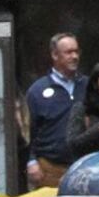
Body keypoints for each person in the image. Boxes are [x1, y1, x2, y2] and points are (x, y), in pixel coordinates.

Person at [23, 35, 87, 183]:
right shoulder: (37, 91)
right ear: (55, 55)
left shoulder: (88, 86)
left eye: (77, 52)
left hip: (84, 168)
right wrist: (31, 161)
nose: (74, 56)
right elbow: (28, 131)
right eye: (69, 52)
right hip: (50, 168)